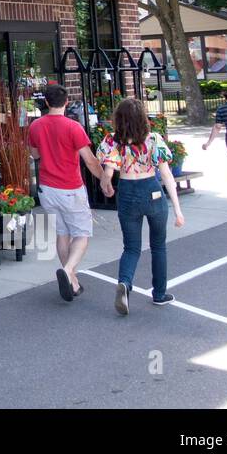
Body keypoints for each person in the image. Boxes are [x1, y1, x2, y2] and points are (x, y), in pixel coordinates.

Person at [98, 98, 186, 314]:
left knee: (131, 247)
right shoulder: (154, 139)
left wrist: (107, 184)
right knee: (158, 246)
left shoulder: (112, 142)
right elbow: (166, 175)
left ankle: (125, 283)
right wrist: (177, 209)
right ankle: (159, 294)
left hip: (127, 192)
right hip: (152, 191)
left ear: (119, 119)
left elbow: (108, 173)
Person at [28, 84, 105, 302]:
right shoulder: (73, 127)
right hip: (70, 188)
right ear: (67, 102)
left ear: (46, 102)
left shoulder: (35, 126)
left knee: (62, 233)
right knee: (82, 233)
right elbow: (89, 160)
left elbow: (34, 155)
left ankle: (72, 281)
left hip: (47, 188)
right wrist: (104, 180)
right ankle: (69, 269)